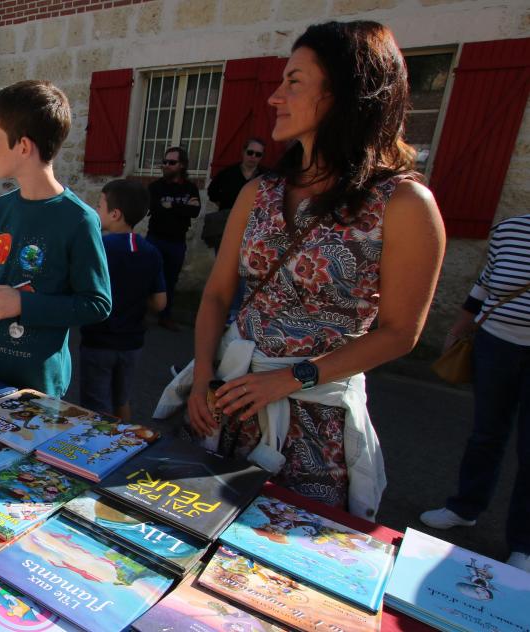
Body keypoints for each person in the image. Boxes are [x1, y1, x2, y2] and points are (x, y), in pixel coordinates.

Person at [156, 20, 445, 519]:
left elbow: (400, 333)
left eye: (294, 82)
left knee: (274, 547)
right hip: (227, 400)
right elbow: (217, 295)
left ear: (346, 93)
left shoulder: (403, 204)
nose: (275, 97)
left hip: (313, 421)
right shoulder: (260, 192)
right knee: (188, 528)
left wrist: (290, 379)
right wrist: (202, 377)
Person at [0, 80, 111, 398]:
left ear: (24, 147)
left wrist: (24, 304)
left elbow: (97, 304)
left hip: (37, 388)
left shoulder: (80, 220)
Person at [421, 214, 530, 572]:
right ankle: (464, 508)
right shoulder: (510, 229)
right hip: (496, 345)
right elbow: (484, 284)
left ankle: (524, 544)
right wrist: (458, 328)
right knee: (486, 434)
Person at [80, 179, 166, 420]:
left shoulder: (98, 247)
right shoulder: (150, 251)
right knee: (121, 400)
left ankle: (98, 443)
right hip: (131, 343)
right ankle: (124, 441)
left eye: (99, 205)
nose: (96, 210)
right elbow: (160, 303)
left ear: (115, 214)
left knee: (96, 408)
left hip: (98, 341)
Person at [145, 146, 200, 331]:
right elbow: (155, 207)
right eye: (165, 162)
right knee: (147, 276)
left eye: (172, 162)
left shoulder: (190, 188)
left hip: (176, 242)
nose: (167, 165)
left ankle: (165, 316)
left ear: (182, 165)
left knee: (170, 280)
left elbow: (194, 211)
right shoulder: (156, 187)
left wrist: (171, 206)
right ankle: (139, 313)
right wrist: (180, 207)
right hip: (155, 238)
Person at [203, 138, 266, 253]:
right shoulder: (227, 173)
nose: (253, 157)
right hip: (228, 227)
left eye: (258, 154)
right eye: (250, 152)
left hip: (254, 230)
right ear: (243, 152)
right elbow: (212, 193)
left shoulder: (266, 177)